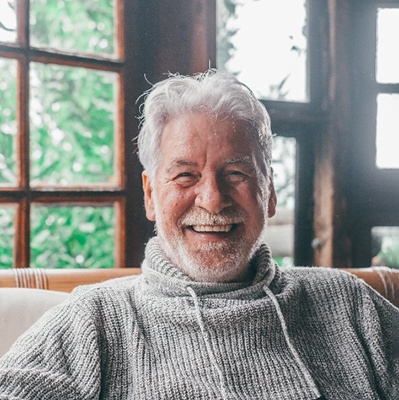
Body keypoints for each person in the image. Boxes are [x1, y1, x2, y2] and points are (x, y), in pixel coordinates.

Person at [0, 70, 398, 399]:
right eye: (185, 175)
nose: (212, 199)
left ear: (270, 193)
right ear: (151, 194)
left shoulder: (351, 304)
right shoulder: (93, 321)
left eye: (236, 174)